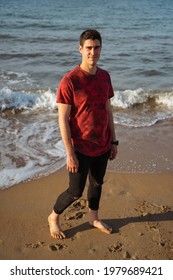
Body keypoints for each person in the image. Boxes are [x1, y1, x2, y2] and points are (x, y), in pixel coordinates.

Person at [48, 29, 118, 239]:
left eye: (96, 47)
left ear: (100, 49)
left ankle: (93, 217)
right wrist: (70, 153)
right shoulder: (70, 81)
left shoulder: (105, 76)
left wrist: (113, 141)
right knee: (75, 192)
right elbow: (63, 119)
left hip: (103, 144)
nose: (92, 52)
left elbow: (108, 110)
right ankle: (53, 217)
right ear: (80, 49)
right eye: (88, 48)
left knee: (97, 183)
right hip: (81, 147)